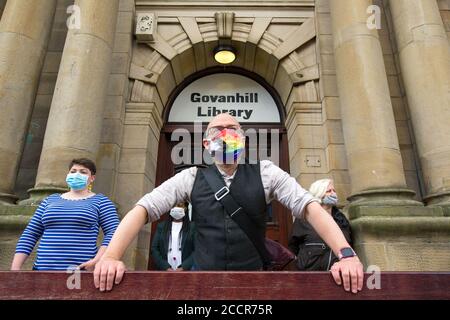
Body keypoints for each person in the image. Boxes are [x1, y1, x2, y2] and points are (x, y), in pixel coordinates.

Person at [93, 113, 364, 293]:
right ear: (206, 142)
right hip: (203, 285)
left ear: (243, 140)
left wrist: (346, 254)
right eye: (218, 130)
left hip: (255, 286)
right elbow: (142, 209)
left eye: (232, 129)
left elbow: (310, 207)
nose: (225, 133)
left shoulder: (267, 172)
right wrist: (112, 256)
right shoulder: (190, 176)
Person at [11, 158, 120, 271]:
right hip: (42, 270)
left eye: (83, 172)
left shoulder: (101, 201)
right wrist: (15, 268)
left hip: (79, 272)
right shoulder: (49, 200)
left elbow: (115, 233)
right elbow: (30, 234)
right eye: (73, 171)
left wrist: (97, 260)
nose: (77, 174)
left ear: (92, 178)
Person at [289, 179, 352, 271]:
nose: (333, 194)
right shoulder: (304, 220)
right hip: (309, 276)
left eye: (334, 191)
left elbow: (348, 244)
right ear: (319, 194)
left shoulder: (342, 221)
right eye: (329, 191)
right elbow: (293, 246)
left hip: (336, 276)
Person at [151, 202, 195, 271]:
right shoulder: (161, 226)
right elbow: (154, 249)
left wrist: (184, 267)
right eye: (174, 205)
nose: (177, 208)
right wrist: (165, 267)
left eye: (180, 206)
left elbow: (197, 250)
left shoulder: (192, 227)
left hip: (186, 271)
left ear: (186, 208)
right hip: (165, 271)